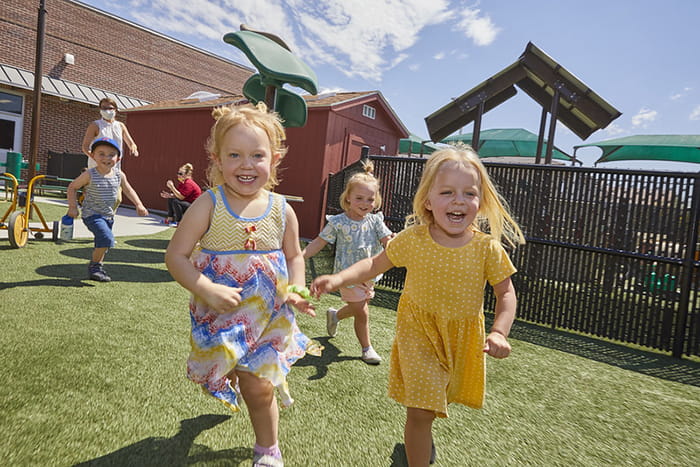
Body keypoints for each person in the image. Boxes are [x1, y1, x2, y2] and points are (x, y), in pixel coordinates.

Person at [311, 146, 525, 466]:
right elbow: (373, 264)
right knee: (421, 410)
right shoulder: (414, 239)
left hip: (460, 340)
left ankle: (421, 444)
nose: (458, 200)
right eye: (447, 192)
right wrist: (339, 278)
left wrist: (499, 332)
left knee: (437, 403)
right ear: (428, 200)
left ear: (480, 203)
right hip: (418, 334)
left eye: (469, 193)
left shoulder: (487, 249)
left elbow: (506, 294)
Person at [165, 102, 320, 467]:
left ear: (275, 158)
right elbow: (176, 257)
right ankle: (232, 373)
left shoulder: (283, 209)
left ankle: (268, 449)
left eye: (257, 155)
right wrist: (207, 288)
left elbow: (295, 256)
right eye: (234, 155)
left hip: (270, 315)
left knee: (259, 384)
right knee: (234, 369)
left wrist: (297, 289)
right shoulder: (208, 204)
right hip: (223, 314)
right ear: (217, 159)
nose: (246, 165)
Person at [302, 160, 393, 364]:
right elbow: (318, 243)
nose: (365, 203)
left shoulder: (375, 220)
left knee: (358, 307)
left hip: (370, 274)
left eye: (370, 199)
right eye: (359, 198)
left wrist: (396, 247)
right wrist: (299, 257)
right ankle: (366, 349)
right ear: (348, 198)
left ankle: (335, 316)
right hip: (347, 277)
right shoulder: (338, 222)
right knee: (362, 311)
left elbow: (388, 242)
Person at [67, 137, 149, 282]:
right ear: (93, 155)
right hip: (92, 214)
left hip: (108, 216)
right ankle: (95, 266)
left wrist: (139, 204)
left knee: (102, 244)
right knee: (106, 239)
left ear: (118, 158)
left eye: (111, 154)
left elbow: (129, 190)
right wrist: (73, 207)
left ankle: (96, 268)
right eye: (101, 153)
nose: (106, 157)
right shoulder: (89, 174)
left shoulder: (119, 175)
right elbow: (72, 187)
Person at [81, 97, 139, 169]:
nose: (107, 111)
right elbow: (85, 147)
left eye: (110, 108)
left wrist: (133, 149)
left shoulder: (120, 126)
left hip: (115, 167)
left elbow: (131, 143)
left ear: (115, 109)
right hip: (97, 168)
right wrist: (96, 158)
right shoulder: (95, 125)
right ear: (100, 110)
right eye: (104, 108)